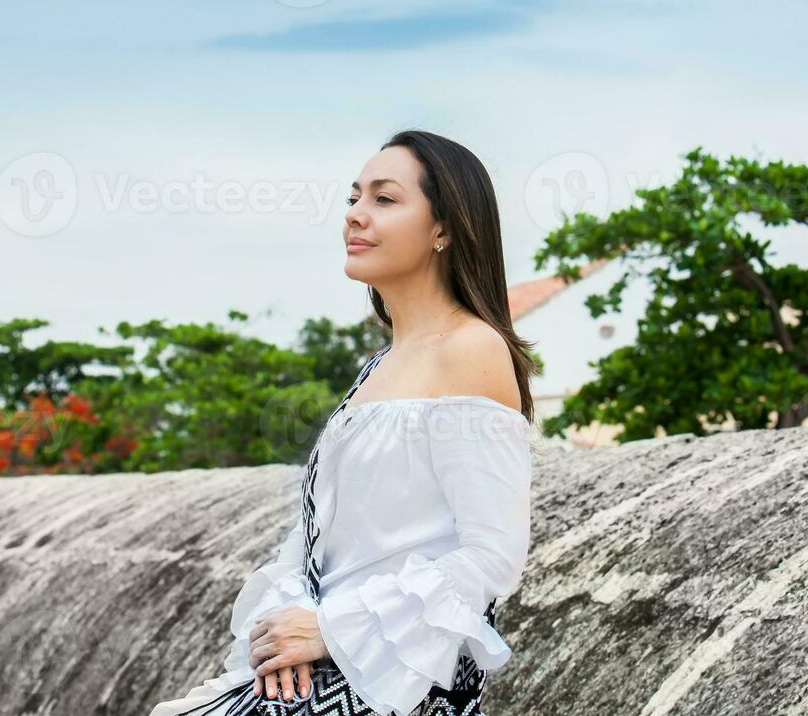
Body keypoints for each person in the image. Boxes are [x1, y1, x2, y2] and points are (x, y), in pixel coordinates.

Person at [149, 129, 538, 716]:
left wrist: (332, 629)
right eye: (353, 198)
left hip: (396, 682)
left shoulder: (471, 349)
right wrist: (288, 631)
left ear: (445, 229)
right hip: (324, 669)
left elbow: (492, 554)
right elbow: (320, 542)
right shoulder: (378, 368)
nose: (355, 215)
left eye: (384, 199)